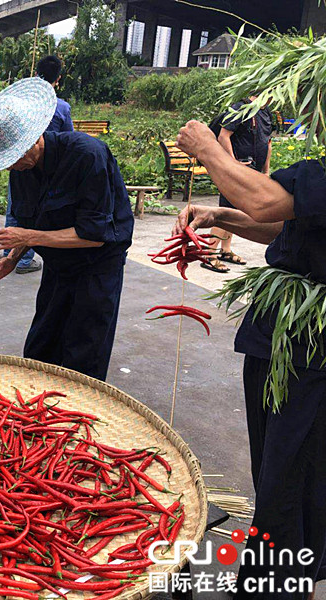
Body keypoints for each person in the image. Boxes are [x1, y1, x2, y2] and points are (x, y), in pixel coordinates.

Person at [174, 119, 325, 600]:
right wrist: (221, 219)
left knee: (289, 473)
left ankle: (274, 589)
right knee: (276, 468)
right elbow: (285, 224)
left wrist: (209, 151)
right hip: (283, 339)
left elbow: (264, 200)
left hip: (309, 347)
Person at [0, 77, 133, 381]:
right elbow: (29, 222)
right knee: (42, 346)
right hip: (58, 264)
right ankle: (39, 417)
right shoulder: (22, 168)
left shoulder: (87, 155)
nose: (9, 167)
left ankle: (78, 417)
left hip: (96, 266)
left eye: (11, 158)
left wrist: (27, 237)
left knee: (83, 353)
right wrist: (12, 259)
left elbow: (94, 237)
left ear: (33, 139)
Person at [3, 55, 74, 275]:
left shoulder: (24, 103)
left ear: (35, 74)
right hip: (47, 169)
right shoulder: (61, 107)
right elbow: (67, 139)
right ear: (58, 78)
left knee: (17, 209)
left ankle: (10, 254)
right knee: (37, 211)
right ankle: (21, 259)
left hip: (20, 161)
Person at [203, 96, 272, 273]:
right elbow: (223, 136)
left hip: (254, 170)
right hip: (236, 171)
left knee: (238, 210)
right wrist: (232, 164)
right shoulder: (240, 108)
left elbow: (268, 142)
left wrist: (266, 171)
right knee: (228, 210)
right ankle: (208, 254)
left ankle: (225, 250)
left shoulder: (265, 112)